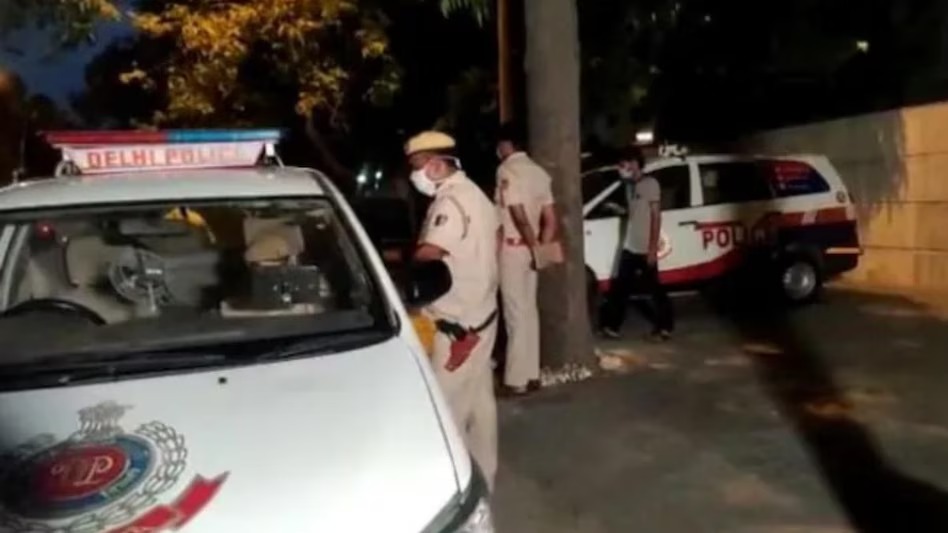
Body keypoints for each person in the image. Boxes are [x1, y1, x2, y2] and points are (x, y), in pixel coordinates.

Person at [405, 130, 500, 490]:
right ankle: (485, 479)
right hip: (482, 314)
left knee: (447, 412)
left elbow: (430, 254)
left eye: (417, 165)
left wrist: (406, 265)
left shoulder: (450, 203)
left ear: (435, 165)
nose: (414, 175)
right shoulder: (475, 194)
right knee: (480, 405)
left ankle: (453, 489)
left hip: (458, 325)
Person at [494, 122, 559, 396]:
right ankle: (532, 373)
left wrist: (533, 244)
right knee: (529, 312)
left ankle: (516, 379)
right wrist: (541, 248)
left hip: (513, 249)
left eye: (499, 144)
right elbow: (551, 218)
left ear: (506, 145)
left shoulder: (507, 170)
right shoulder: (539, 172)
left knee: (515, 314)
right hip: (532, 252)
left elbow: (517, 213)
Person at [599, 145, 674, 341]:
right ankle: (612, 326)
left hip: (644, 247)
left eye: (623, 165)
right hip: (630, 245)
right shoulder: (629, 186)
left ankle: (665, 327)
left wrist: (652, 249)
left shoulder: (651, 184)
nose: (620, 169)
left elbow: (656, 217)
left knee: (654, 289)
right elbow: (635, 213)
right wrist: (619, 210)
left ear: (634, 164)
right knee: (620, 288)